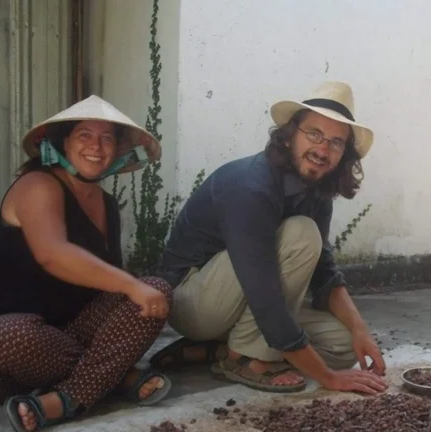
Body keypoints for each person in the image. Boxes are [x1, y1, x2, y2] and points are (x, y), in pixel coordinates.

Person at [148, 81, 387, 395]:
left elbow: (323, 273)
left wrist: (360, 330)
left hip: (244, 297)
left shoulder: (317, 192)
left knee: (342, 347)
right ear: (290, 135)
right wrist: (328, 379)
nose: (322, 149)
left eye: (336, 142)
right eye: (314, 134)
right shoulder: (251, 186)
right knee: (301, 234)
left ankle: (215, 350)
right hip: (191, 301)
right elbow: (263, 293)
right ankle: (244, 359)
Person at [0, 95, 174, 432]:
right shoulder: (37, 185)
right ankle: (111, 379)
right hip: (1, 353)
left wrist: (136, 289)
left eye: (107, 139)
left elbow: (102, 282)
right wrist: (130, 286)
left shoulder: (107, 205)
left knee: (155, 291)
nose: (96, 147)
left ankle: (63, 400)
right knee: (12, 334)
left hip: (68, 335)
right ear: (64, 143)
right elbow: (52, 253)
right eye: (84, 135)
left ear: (118, 150)